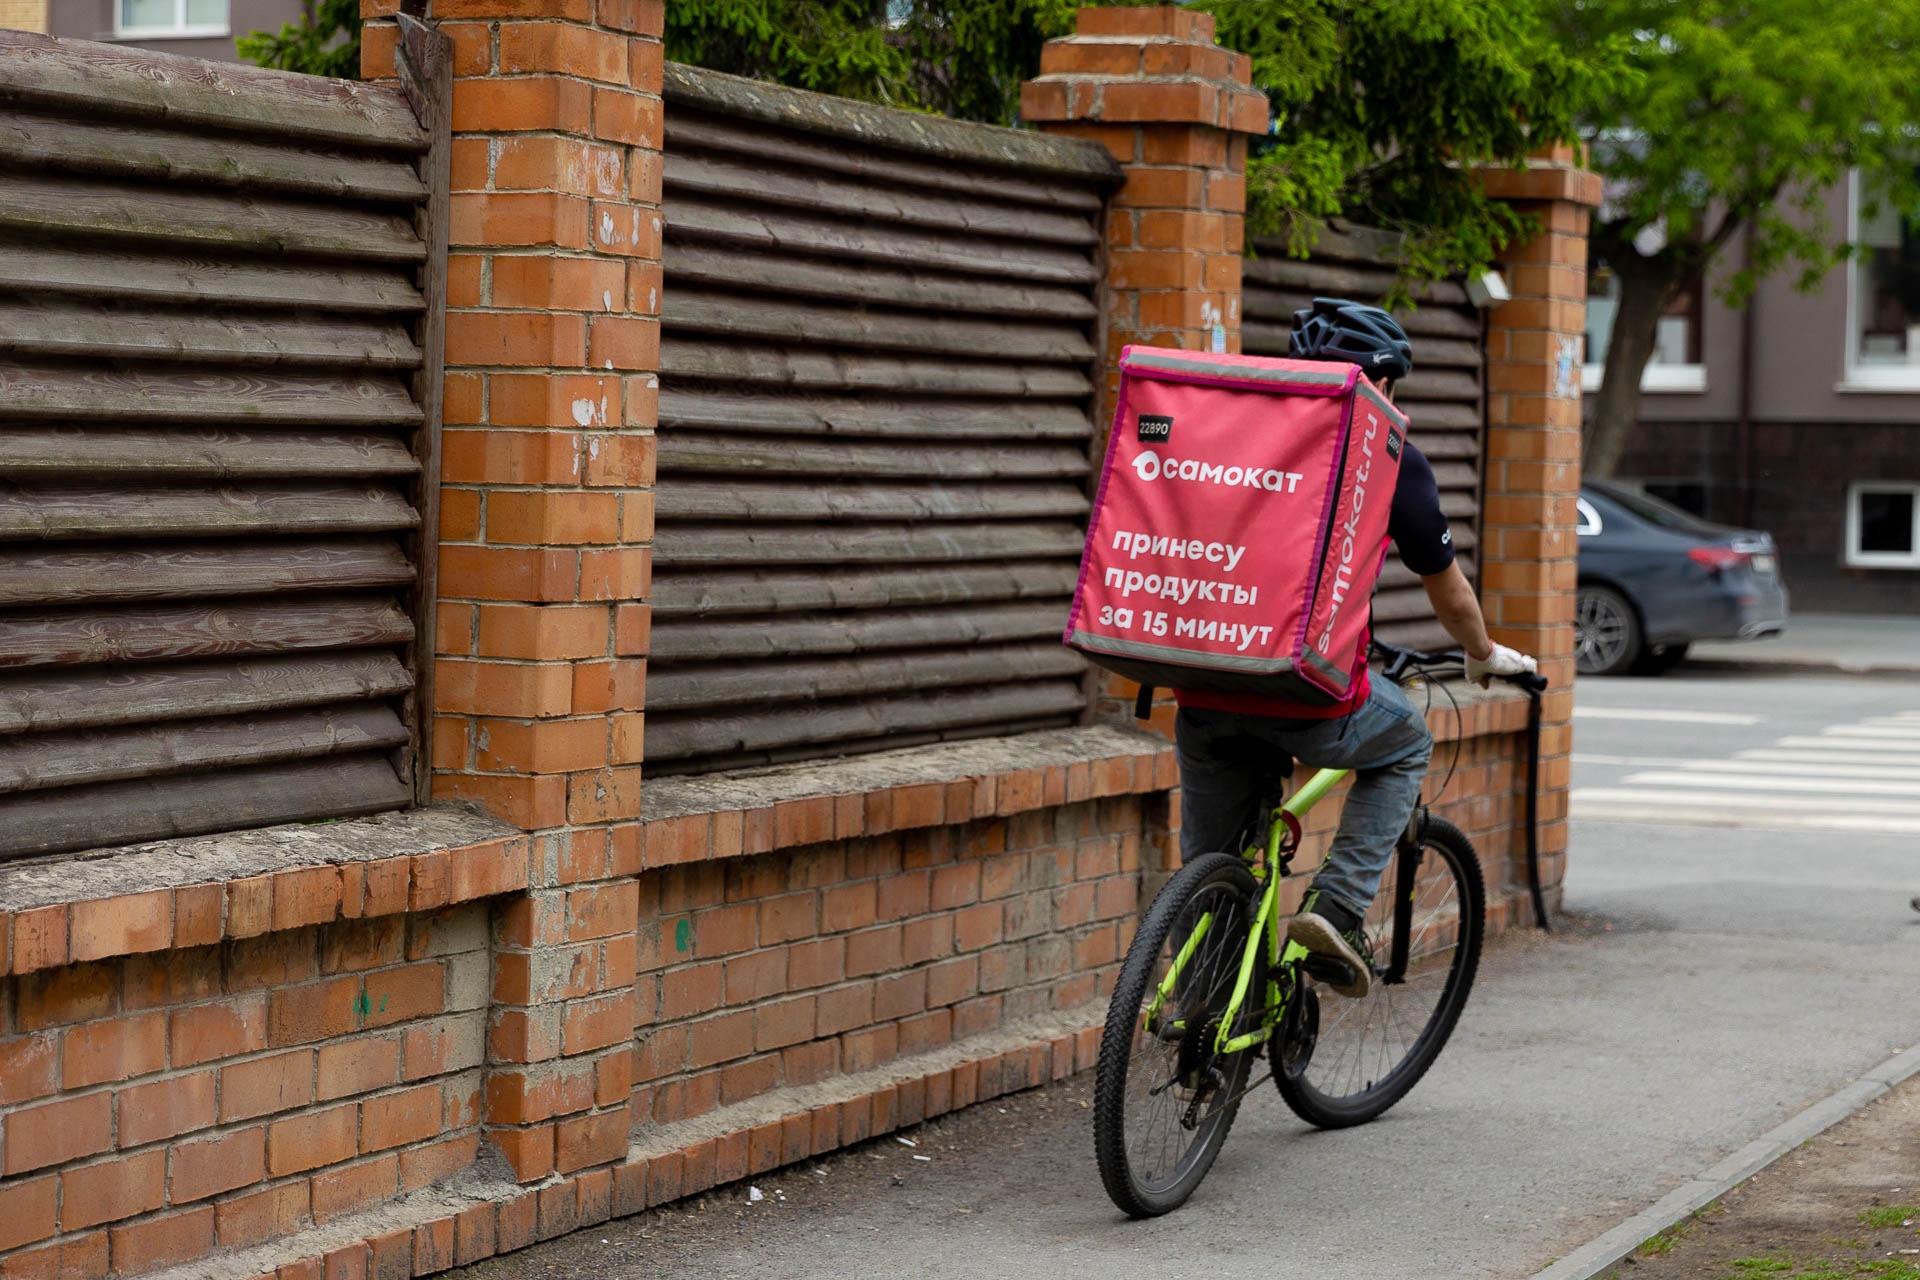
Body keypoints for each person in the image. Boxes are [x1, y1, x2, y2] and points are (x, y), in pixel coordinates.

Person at [1174, 298, 1538, 998]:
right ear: (1382, 385)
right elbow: (1450, 594)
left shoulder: (1234, 431)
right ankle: (1335, 909)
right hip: (1303, 694)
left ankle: (1195, 1021)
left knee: (1214, 871)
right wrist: (1483, 652)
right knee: (1405, 741)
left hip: (1203, 681)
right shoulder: (1387, 453)